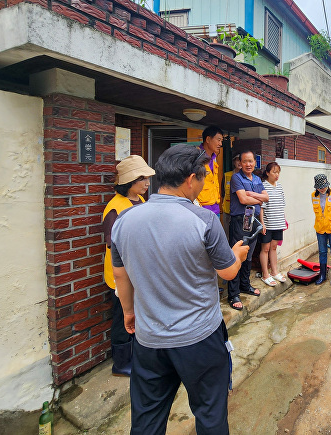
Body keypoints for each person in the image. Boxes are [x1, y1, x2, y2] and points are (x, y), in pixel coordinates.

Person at [110, 145, 249, 434]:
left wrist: (128, 312)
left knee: (147, 420)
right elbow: (227, 272)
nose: (202, 183)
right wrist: (237, 254)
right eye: (202, 177)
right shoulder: (204, 220)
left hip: (149, 341)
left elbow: (120, 275)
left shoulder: (124, 221)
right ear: (190, 179)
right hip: (199, 338)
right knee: (210, 415)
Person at [102, 155, 154, 377]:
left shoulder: (140, 201)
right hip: (121, 274)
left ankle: (135, 357)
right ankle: (121, 363)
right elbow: (112, 243)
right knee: (122, 316)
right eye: (142, 179)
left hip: (137, 271)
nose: (147, 183)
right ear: (129, 181)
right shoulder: (115, 207)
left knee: (135, 315)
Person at [228, 150, 269, 310]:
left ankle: (245, 285)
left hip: (254, 220)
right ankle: (233, 294)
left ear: (255, 162)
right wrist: (258, 197)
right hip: (240, 221)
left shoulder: (258, 178)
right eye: (245, 161)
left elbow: (266, 198)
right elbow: (243, 199)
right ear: (240, 162)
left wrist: (252, 194)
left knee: (249, 255)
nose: (248, 164)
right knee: (237, 254)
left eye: (251, 161)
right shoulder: (236, 178)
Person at [259, 162, 287, 286]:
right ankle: (265, 275)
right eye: (274, 172)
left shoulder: (279, 186)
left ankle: (274, 272)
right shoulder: (263, 187)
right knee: (265, 248)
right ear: (267, 173)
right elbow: (261, 207)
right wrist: (262, 223)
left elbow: (282, 204)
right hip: (268, 223)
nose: (277, 175)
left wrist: (283, 221)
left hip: (278, 223)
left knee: (274, 247)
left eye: (278, 172)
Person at [312, 174, 331, 286]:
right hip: (320, 229)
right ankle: (323, 275)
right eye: (320, 187)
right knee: (322, 252)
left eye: (324, 186)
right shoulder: (313, 196)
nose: (322, 189)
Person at [197, 126, 224, 216]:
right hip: (201, 208)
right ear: (208, 139)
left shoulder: (214, 158)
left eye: (221, 141)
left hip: (215, 208)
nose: (220, 144)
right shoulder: (196, 157)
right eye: (218, 140)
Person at [222, 154, 241, 238]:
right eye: (237, 160)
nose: (239, 162)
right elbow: (222, 192)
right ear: (234, 162)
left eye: (241, 160)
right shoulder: (227, 175)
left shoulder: (248, 177)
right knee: (226, 234)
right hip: (227, 210)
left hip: (240, 211)